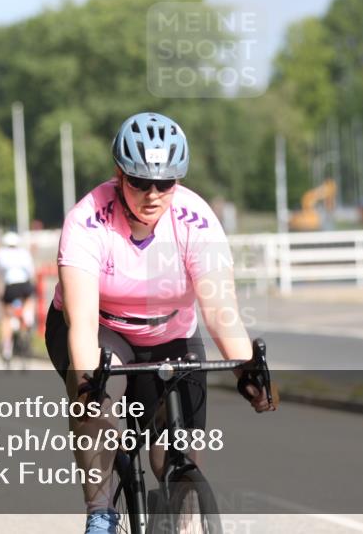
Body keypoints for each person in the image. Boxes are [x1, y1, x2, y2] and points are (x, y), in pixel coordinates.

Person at [46, 112, 274, 534]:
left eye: (165, 183)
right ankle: (100, 512)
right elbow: (80, 327)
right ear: (119, 175)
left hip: (169, 332)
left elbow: (221, 311)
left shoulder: (196, 222)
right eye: (139, 182)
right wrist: (87, 388)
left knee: (173, 452)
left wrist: (248, 371)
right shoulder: (87, 220)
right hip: (99, 325)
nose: (153, 194)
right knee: (100, 401)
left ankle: (181, 520)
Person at [0, 231, 36, 363]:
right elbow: (31, 274)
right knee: (28, 300)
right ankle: (27, 317)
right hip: (24, 286)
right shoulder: (24, 253)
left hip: (10, 287)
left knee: (6, 316)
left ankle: (7, 348)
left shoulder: (0, 254)